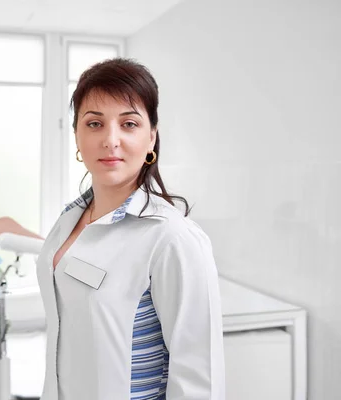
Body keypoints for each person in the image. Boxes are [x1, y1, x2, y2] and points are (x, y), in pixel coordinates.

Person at [36, 58, 225, 400]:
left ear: (151, 136)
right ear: (76, 135)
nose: (111, 140)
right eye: (94, 123)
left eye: (129, 124)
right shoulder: (68, 220)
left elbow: (200, 379)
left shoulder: (172, 238)